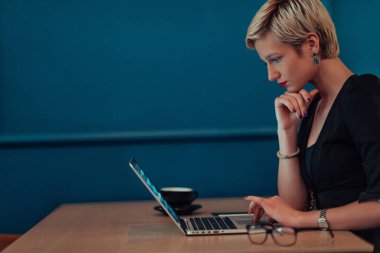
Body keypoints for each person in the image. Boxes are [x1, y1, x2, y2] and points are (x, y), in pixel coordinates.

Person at [243, 0, 380, 251]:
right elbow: (293, 206)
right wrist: (286, 132)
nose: (271, 75)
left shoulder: (363, 95)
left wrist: (302, 219)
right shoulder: (313, 103)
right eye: (266, 63)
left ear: (311, 44)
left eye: (275, 59)